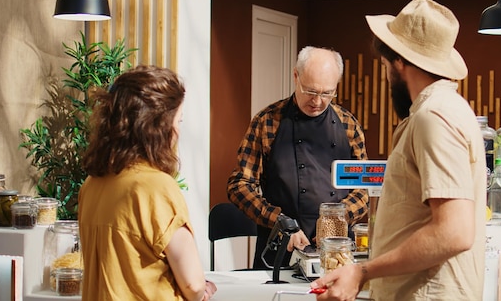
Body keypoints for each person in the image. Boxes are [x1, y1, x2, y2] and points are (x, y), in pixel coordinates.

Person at [310, 0, 487, 300]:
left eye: (385, 65)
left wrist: (363, 271)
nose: (387, 74)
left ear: (400, 62)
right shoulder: (442, 109)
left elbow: (453, 232)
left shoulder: (434, 117)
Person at [78, 65, 217, 301]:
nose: (178, 132)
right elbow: (193, 284)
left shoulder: (90, 186)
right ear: (159, 127)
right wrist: (203, 289)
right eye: (178, 120)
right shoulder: (157, 188)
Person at [227, 46, 369, 269]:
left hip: (334, 254)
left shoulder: (349, 125)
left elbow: (364, 189)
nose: (318, 101)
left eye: (327, 93)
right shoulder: (267, 121)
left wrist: (336, 220)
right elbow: (240, 185)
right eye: (311, 91)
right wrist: (280, 222)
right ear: (296, 76)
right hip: (279, 248)